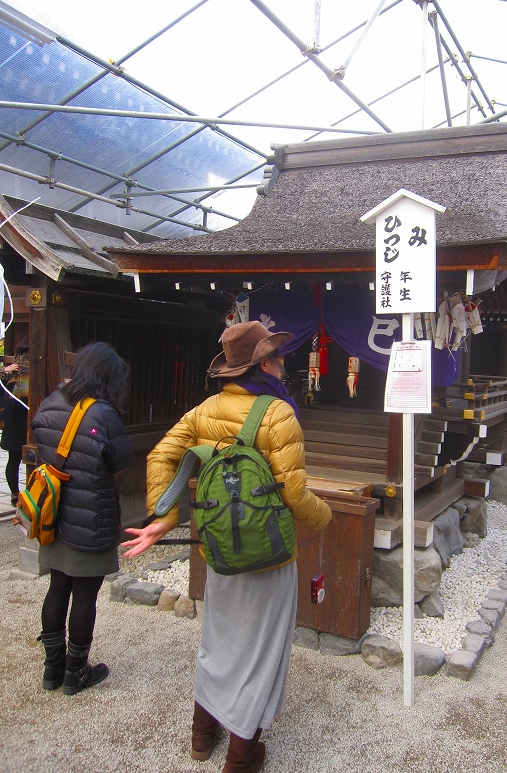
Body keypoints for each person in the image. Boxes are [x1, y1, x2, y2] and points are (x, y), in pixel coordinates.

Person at [121, 321, 332, 773]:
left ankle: (203, 734)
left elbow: (161, 456)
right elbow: (295, 496)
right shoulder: (279, 414)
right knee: (261, 650)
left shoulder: (204, 411)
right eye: (277, 357)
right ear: (263, 364)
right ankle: (242, 755)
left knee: (218, 642)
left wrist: (165, 516)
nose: (282, 364)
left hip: (219, 548)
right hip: (270, 553)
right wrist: (325, 516)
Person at [31, 342, 135, 694]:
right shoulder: (104, 414)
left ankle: (52, 669)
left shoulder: (50, 401)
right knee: (84, 597)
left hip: (54, 514)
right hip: (91, 517)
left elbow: (40, 441)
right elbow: (122, 460)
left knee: (57, 587)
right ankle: (76, 673)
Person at [1, 335, 30, 506]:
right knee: (17, 458)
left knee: (15, 459)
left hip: (16, 419)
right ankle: (16, 493)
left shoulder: (12, 372)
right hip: (23, 418)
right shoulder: (17, 371)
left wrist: (6, 372)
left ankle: (15, 494)